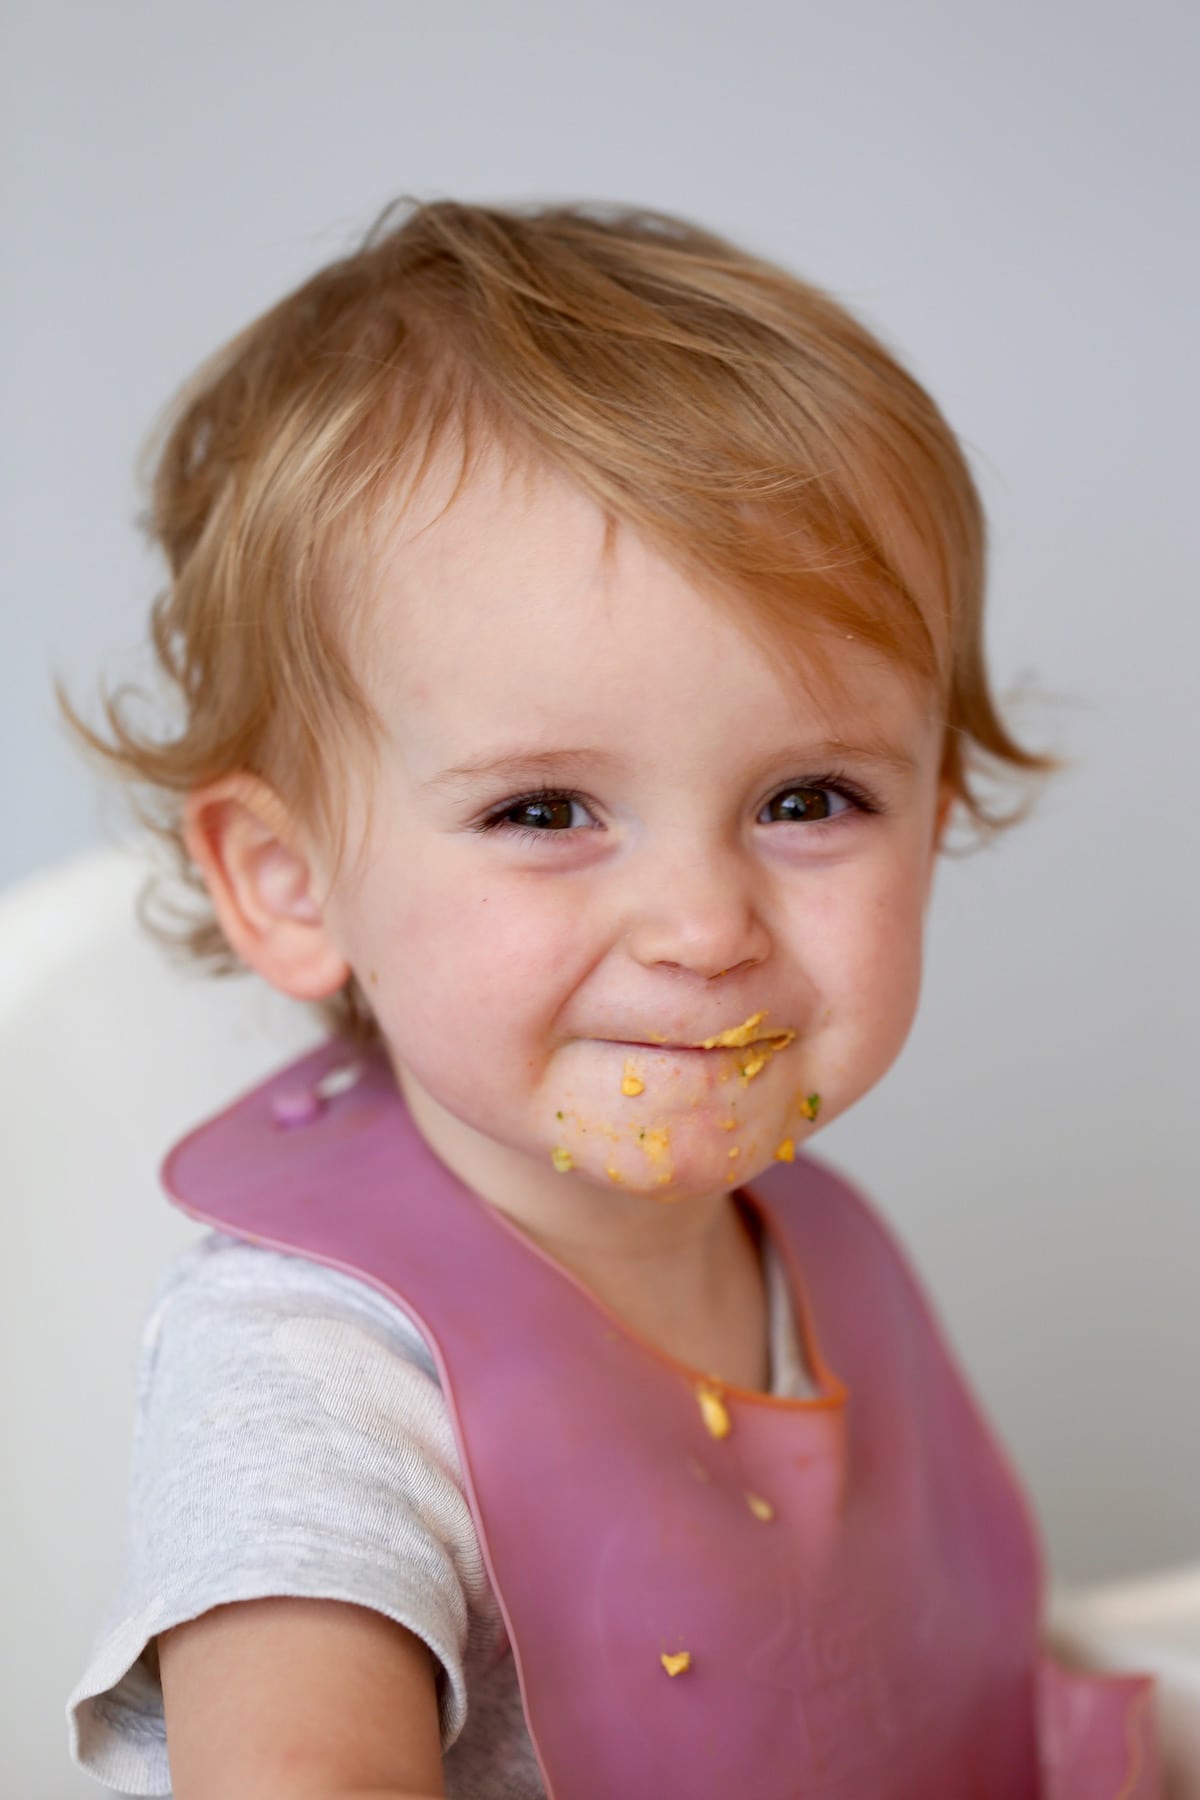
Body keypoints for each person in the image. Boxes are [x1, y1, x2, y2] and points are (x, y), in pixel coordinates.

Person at [60, 199, 1160, 1798]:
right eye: (545, 812)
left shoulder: (816, 1255)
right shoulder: (313, 1373)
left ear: (941, 805)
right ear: (292, 886)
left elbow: (942, 1707)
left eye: (810, 798)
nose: (707, 928)